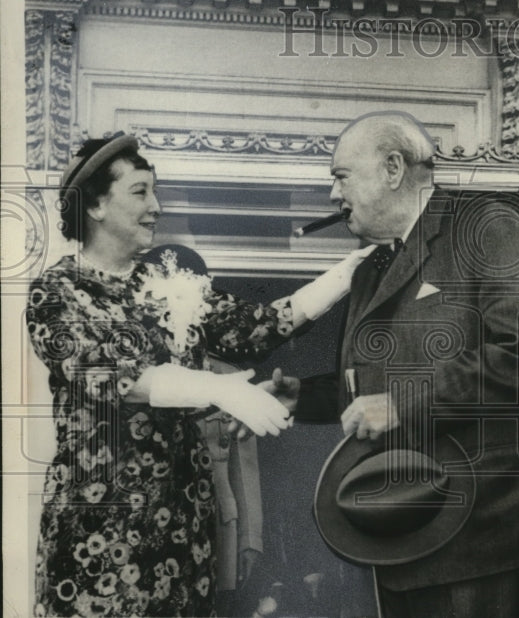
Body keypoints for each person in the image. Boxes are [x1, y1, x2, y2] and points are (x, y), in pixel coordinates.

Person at [25, 134, 372, 617]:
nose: (157, 206)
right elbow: (112, 376)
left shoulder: (169, 282)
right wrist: (215, 388)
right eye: (141, 192)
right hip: (101, 530)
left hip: (183, 522)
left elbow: (258, 327)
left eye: (156, 191)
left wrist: (351, 270)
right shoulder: (57, 292)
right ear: (96, 206)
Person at [268, 112, 519, 618]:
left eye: (340, 176)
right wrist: (308, 397)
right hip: (405, 532)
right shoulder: (374, 263)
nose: (331, 195)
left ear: (392, 168)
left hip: (480, 539)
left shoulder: (486, 225)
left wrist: (401, 404)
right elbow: (375, 389)